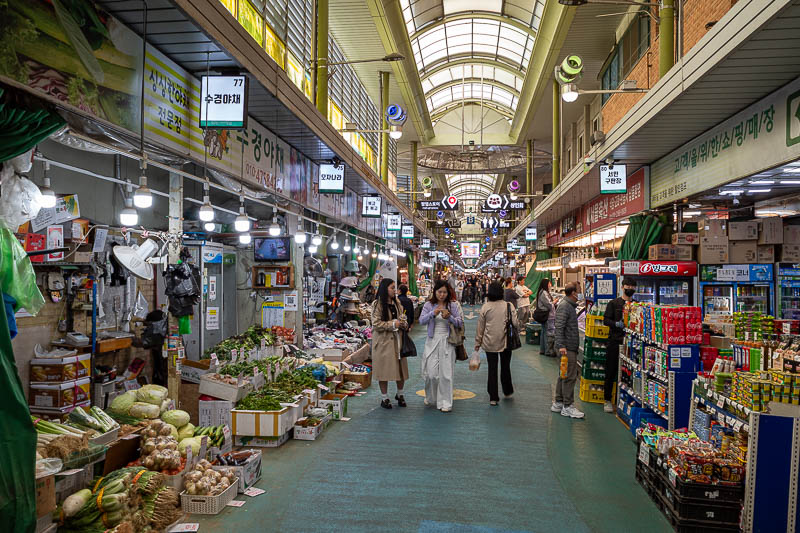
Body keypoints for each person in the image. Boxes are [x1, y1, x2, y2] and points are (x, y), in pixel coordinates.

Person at [418, 280, 463, 412]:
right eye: (439, 292)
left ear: (448, 293)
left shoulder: (453, 305)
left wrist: (450, 317)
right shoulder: (428, 305)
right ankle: (431, 397)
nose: (442, 295)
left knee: (446, 374)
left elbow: (460, 323)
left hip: (448, 341)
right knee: (431, 374)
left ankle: (446, 402)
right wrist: (433, 313)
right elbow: (421, 321)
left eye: (444, 292)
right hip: (432, 340)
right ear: (435, 292)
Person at [475, 281, 519, 406]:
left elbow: (480, 327)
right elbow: (515, 323)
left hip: (489, 342)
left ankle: (493, 397)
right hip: (506, 342)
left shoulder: (486, 307)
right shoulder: (509, 306)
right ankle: (507, 390)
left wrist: (478, 342)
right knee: (505, 366)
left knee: (492, 369)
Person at [371, 278, 409, 409]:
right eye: (392, 288)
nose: (395, 290)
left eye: (395, 288)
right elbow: (375, 324)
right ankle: (384, 397)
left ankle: (400, 394)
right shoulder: (378, 304)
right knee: (384, 370)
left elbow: (402, 318)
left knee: (400, 369)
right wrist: (392, 324)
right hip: (383, 342)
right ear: (385, 289)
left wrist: (403, 322)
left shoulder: (397, 302)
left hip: (398, 341)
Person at [602, 276, 637, 413]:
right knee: (610, 371)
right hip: (614, 342)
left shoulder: (636, 305)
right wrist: (615, 324)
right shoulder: (614, 303)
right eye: (627, 286)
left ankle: (627, 400)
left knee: (629, 373)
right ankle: (607, 400)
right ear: (622, 287)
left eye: (632, 287)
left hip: (630, 344)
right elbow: (605, 320)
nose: (630, 289)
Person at [551, 282, 584, 419]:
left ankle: (558, 402)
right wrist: (561, 345)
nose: (581, 292)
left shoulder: (568, 306)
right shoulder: (565, 307)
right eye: (579, 290)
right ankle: (568, 406)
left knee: (563, 374)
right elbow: (559, 326)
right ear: (573, 293)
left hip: (568, 346)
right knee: (570, 376)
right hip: (567, 347)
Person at [535, 278, 556, 357]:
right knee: (548, 333)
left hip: (546, 316)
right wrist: (554, 302)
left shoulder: (542, 292)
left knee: (544, 332)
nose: (550, 285)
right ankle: (548, 351)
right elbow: (549, 304)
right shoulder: (544, 293)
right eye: (549, 283)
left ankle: (543, 349)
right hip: (547, 316)